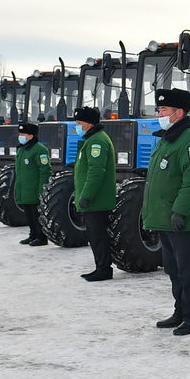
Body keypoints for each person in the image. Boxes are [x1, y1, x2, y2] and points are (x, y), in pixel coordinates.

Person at [141, 88, 190, 335]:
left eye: (164, 110)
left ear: (178, 112)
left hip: (181, 221)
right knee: (173, 269)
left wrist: (180, 211)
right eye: (159, 109)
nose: (159, 113)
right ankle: (179, 312)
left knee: (187, 271)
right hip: (164, 219)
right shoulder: (168, 138)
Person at [72, 107, 116, 280]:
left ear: (89, 123)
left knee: (98, 236)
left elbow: (96, 171)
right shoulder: (91, 139)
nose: (76, 126)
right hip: (93, 199)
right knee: (94, 235)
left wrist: (86, 195)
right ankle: (100, 266)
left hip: (97, 200)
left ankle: (104, 269)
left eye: (79, 123)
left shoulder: (97, 141)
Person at [14, 122, 52, 246]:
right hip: (24, 188)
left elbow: (45, 171)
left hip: (34, 188)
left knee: (37, 215)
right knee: (29, 215)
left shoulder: (40, 149)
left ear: (30, 136)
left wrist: (41, 189)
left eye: (23, 134)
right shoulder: (22, 149)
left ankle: (41, 237)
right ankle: (33, 235)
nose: (20, 136)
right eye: (20, 134)